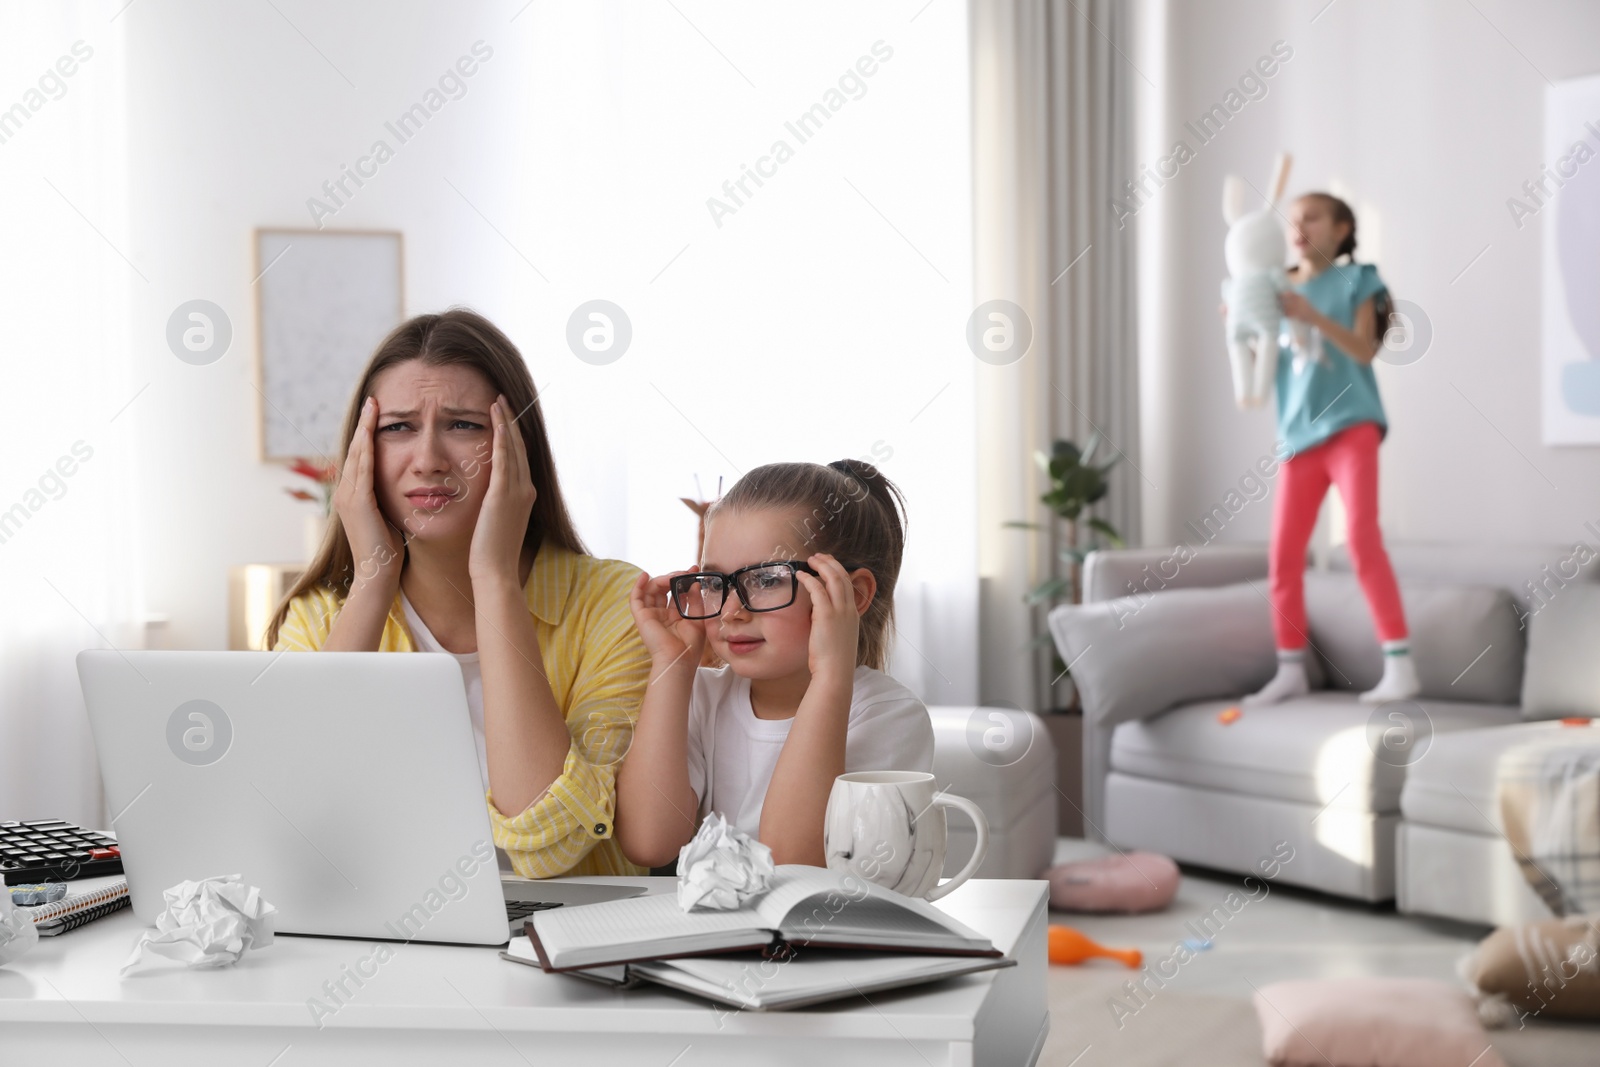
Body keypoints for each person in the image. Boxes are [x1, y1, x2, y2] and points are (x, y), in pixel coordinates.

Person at [265, 309, 652, 877]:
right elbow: (298, 828)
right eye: (397, 427)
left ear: (517, 446)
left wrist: (494, 579)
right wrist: (372, 580)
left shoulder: (616, 605)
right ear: (360, 454)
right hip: (383, 944)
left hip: (562, 945)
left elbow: (550, 847)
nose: (428, 460)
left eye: (463, 425)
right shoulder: (319, 618)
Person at [615, 460, 934, 868]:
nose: (730, 612)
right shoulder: (702, 696)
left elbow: (793, 864)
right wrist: (671, 665)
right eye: (716, 583)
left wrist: (831, 678)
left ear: (851, 596)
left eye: (766, 580)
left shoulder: (889, 715)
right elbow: (648, 843)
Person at [1242, 191, 1419, 706]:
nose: (1299, 227)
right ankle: (1290, 668)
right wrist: (1247, 321)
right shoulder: (1275, 288)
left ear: (1341, 229)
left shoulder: (1359, 280)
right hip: (1298, 439)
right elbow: (1267, 364)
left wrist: (1311, 316)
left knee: (1362, 540)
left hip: (1351, 426)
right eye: (1293, 220)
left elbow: (1365, 349)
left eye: (1312, 217)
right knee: (1284, 557)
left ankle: (1399, 663)